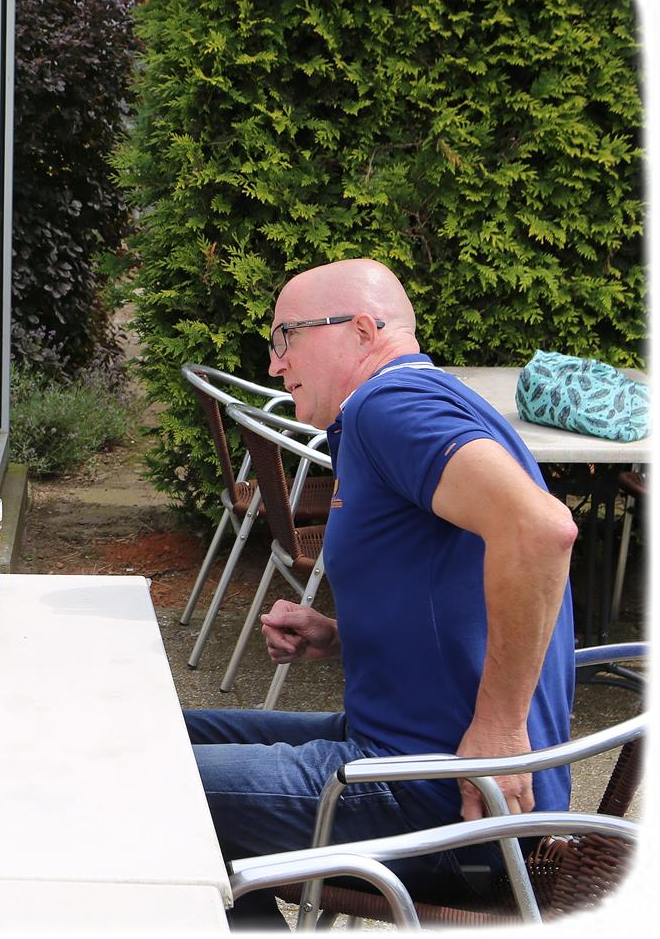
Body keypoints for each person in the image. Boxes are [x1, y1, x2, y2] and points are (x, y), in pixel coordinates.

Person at [186, 258, 577, 929]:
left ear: (362, 331)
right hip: (406, 759)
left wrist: (499, 729)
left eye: (285, 337)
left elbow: (540, 531)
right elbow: (453, 587)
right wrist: (341, 635)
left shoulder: (388, 406)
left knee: (142, 783)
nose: (275, 364)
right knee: (157, 737)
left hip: (445, 798)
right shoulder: (415, 401)